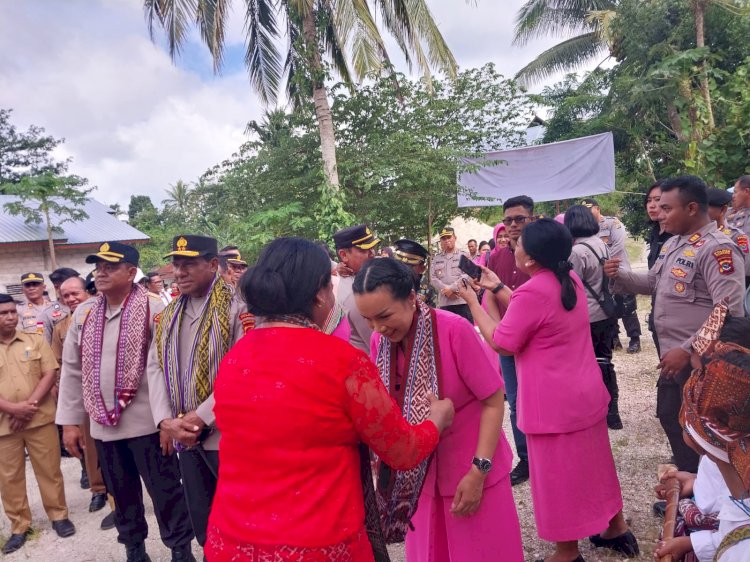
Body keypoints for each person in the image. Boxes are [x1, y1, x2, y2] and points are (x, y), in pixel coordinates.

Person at [204, 237, 455, 562]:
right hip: (319, 545)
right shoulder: (342, 361)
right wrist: (437, 420)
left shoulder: (236, 358)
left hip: (231, 542)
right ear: (321, 294)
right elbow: (402, 450)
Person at [461, 219, 638, 562]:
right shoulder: (564, 277)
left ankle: (567, 552)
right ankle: (615, 527)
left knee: (556, 480)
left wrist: (472, 300)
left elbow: (502, 341)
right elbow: (533, 312)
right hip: (584, 396)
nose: (514, 245)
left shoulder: (532, 292)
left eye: (519, 243)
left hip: (552, 407)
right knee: (596, 466)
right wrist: (497, 287)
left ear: (530, 259)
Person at [354, 258, 524, 562]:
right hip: (420, 480)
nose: (377, 327)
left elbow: (493, 399)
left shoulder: (453, 329)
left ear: (410, 298)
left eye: (384, 316)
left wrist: (478, 471)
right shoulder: (381, 340)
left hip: (471, 473)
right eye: (368, 320)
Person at [56, 241, 195, 562]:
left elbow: (168, 368)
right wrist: (69, 423)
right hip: (105, 429)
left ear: (132, 272)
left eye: (110, 267)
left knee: (167, 493)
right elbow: (73, 370)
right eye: (98, 267)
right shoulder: (85, 313)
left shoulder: (154, 309)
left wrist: (168, 421)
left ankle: (180, 550)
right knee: (121, 494)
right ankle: (135, 550)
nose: (100, 273)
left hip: (149, 426)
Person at [604, 175, 745, 474]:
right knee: (671, 415)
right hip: (674, 357)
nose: (660, 214)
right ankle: (690, 481)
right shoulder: (674, 244)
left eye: (667, 208)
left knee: (707, 430)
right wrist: (619, 276)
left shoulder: (719, 249)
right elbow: (654, 281)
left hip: (703, 361)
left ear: (692, 208)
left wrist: (687, 348)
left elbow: (727, 310)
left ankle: (707, 493)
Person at [148, 235, 250, 551]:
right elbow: (154, 367)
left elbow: (244, 371)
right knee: (204, 519)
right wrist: (166, 421)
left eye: (189, 264)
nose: (180, 272)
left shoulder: (237, 310)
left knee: (242, 518)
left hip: (226, 437)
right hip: (185, 437)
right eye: (177, 265)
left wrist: (201, 417)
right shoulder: (167, 315)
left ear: (213, 265)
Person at [0, 293, 76, 555]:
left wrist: (28, 406)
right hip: (4, 425)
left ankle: (59, 516)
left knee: (50, 470)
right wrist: (12, 408)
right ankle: (20, 526)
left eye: (12, 312)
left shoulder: (34, 340)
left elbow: (49, 372)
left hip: (39, 418)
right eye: (3, 313)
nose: (10, 317)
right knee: (9, 478)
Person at [675, 302, 750, 560]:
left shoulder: (740, 550)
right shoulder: (734, 463)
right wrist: (695, 482)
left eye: (699, 375)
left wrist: (690, 544)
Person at [50, 276, 113, 522]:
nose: (71, 299)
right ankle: (98, 490)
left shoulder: (100, 315)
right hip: (83, 396)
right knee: (90, 448)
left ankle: (118, 503)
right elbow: (62, 366)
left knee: (114, 453)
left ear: (86, 293)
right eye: (65, 296)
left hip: (109, 396)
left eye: (75, 293)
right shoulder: (61, 327)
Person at [486, 195, 535, 486]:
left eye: (519, 219)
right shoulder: (497, 256)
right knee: (515, 401)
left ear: (532, 218)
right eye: (508, 220)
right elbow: (489, 292)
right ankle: (526, 458)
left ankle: (543, 454)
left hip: (536, 341)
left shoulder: (542, 256)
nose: (513, 225)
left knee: (538, 397)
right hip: (507, 340)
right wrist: (498, 327)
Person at [565, 205, 623, 430]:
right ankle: (613, 411)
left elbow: (572, 285)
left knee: (589, 364)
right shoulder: (601, 243)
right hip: (606, 311)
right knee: (605, 361)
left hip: (588, 315)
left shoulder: (577, 251)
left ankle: (596, 409)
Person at [581, 198, 641, 353]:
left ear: (598, 208)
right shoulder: (586, 228)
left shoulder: (612, 223)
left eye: (590, 209)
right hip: (601, 275)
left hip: (619, 270)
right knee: (608, 305)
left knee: (627, 306)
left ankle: (635, 339)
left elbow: (618, 246)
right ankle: (614, 338)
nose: (587, 213)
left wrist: (601, 262)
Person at [334, 223, 380, 354]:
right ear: (343, 255)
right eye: (364, 250)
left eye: (372, 248)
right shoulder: (355, 296)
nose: (372, 254)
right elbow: (379, 345)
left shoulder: (365, 276)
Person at [645, 181, 672, 356]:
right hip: (658, 307)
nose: (652, 205)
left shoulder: (678, 236)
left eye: (658, 200)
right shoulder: (656, 234)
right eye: (649, 200)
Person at [707, 187, 750, 285]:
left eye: (707, 208)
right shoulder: (694, 234)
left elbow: (745, 270)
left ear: (723, 210)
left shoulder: (737, 236)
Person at [430, 226, 472, 323]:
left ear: (455, 238)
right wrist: (446, 291)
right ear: (440, 241)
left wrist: (452, 288)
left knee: (465, 331)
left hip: (462, 301)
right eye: (443, 238)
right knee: (447, 333)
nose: (446, 240)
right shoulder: (436, 259)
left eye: (449, 237)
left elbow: (467, 275)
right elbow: (433, 278)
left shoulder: (464, 255)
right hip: (445, 303)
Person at [37, 267, 80, 343]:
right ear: (57, 287)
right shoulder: (46, 315)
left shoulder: (88, 305)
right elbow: (44, 345)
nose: (75, 286)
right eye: (70, 284)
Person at [393, 238, 436, 307]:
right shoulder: (386, 284)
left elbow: (433, 313)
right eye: (400, 264)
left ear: (422, 268)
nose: (404, 269)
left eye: (410, 266)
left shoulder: (427, 289)